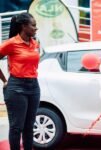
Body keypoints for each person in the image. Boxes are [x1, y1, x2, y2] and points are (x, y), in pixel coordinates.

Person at [0, 12, 40, 150]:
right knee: (17, 127)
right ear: (24, 26)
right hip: (16, 87)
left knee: (29, 127)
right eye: (33, 25)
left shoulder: (35, 43)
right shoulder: (11, 43)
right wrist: (5, 80)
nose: (36, 28)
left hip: (34, 86)